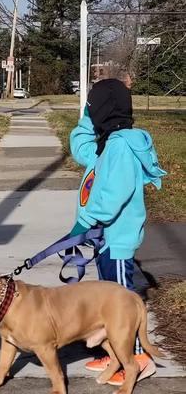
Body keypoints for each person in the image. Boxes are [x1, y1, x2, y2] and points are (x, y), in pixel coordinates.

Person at [69, 78, 166, 385]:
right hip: (104, 238)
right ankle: (117, 354)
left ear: (104, 109)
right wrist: (86, 118)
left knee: (123, 303)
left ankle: (138, 357)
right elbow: (80, 148)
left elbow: (115, 193)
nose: (90, 111)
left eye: (92, 106)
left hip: (117, 238)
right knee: (109, 303)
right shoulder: (106, 144)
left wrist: (86, 222)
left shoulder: (122, 146)